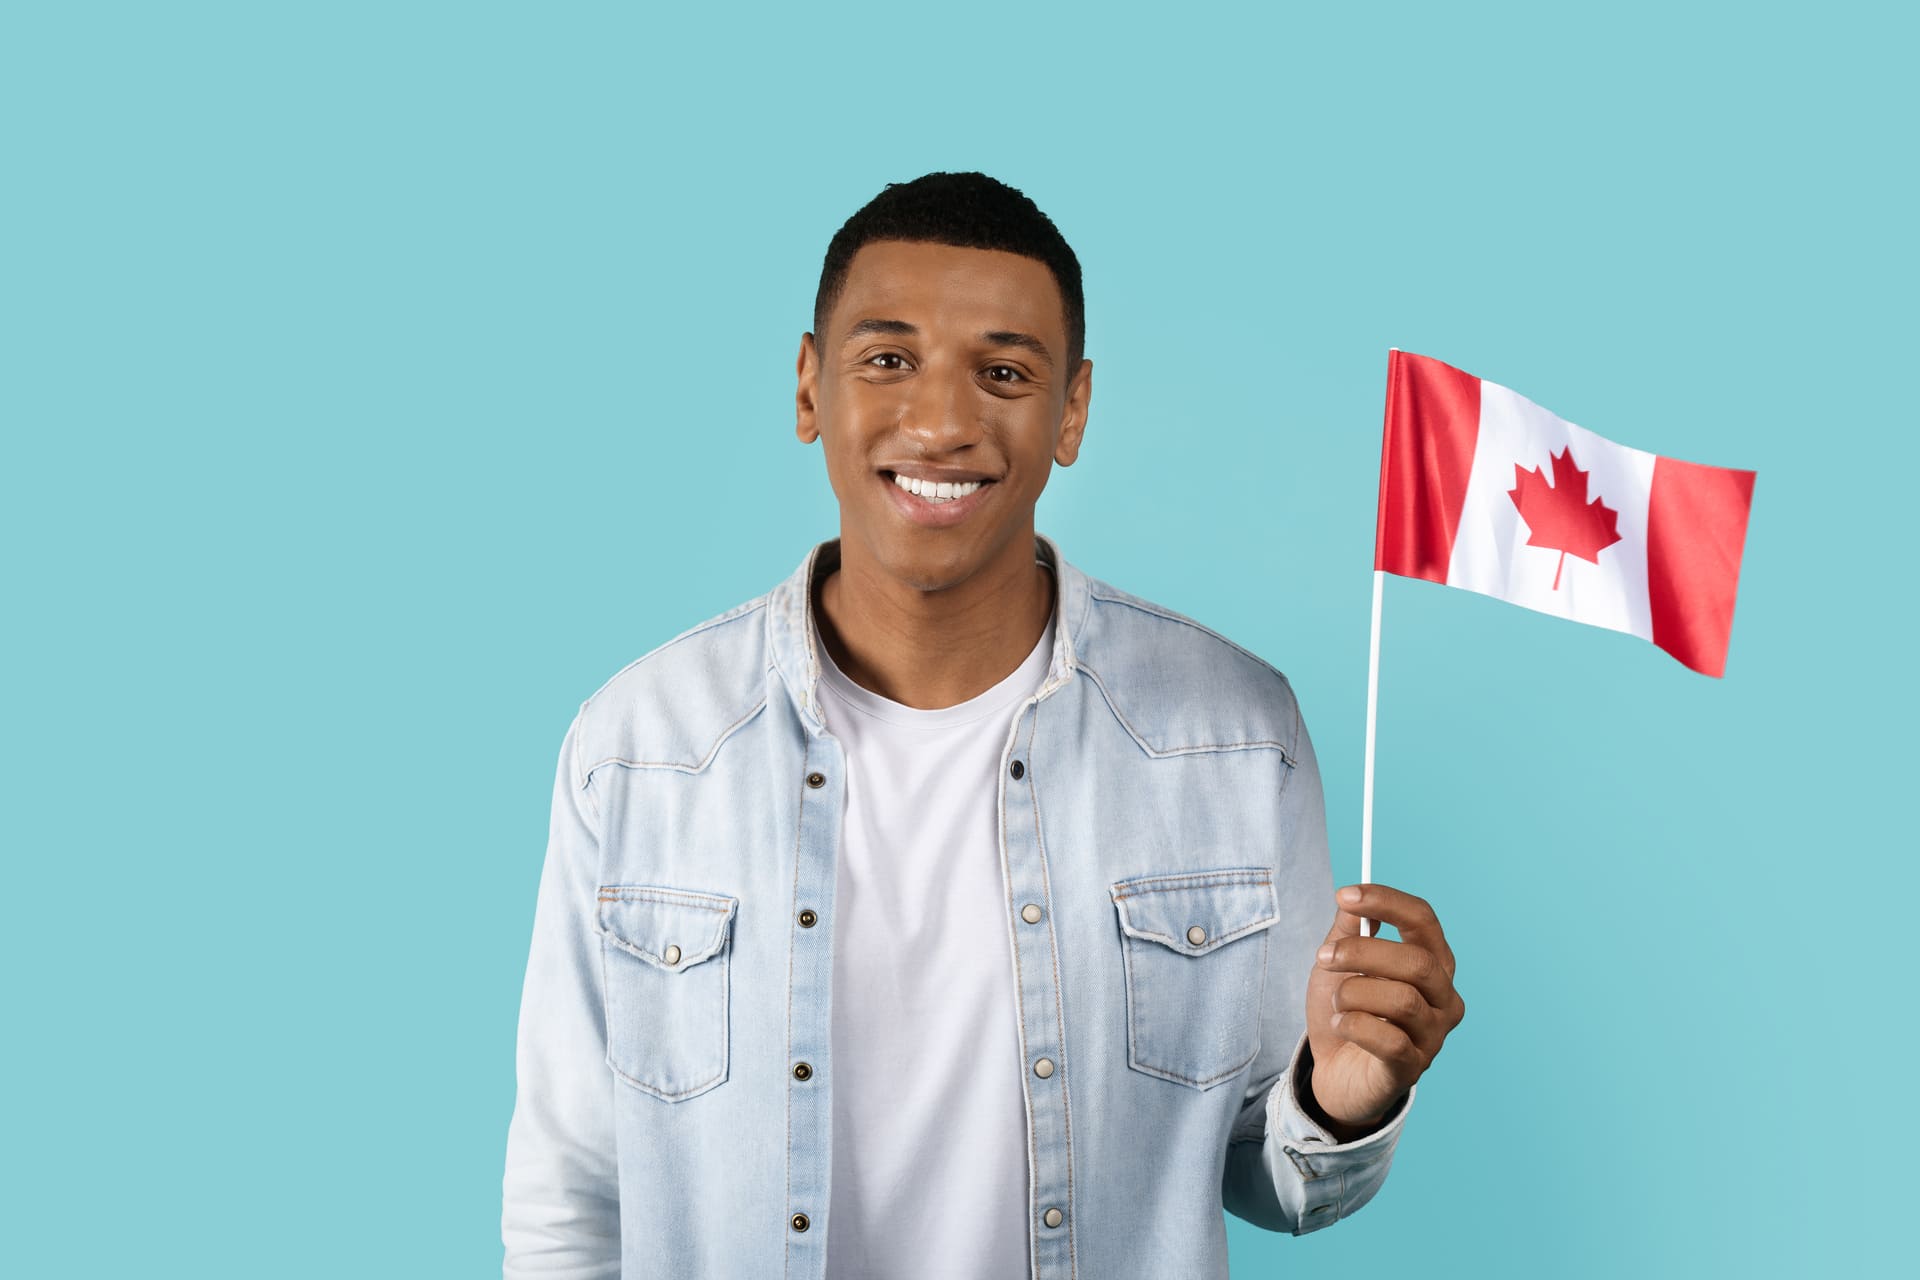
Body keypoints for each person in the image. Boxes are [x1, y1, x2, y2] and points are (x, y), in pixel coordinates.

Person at [501, 170, 1465, 1279]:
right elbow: (571, 1197)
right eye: (888, 358)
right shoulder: (637, 746)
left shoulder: (1237, 736)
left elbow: (1275, 1174)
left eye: (1003, 372)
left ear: (1072, 411)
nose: (945, 421)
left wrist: (1339, 1098)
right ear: (810, 385)